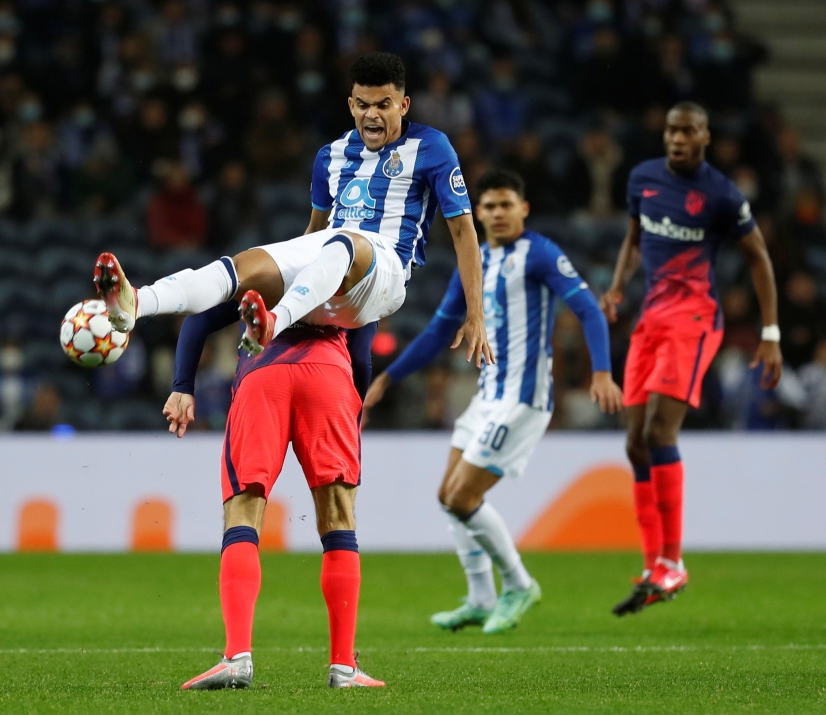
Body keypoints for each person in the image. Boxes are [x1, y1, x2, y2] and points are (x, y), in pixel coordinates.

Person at [93, 52, 492, 369]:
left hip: (384, 275)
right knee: (245, 264)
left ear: (403, 105)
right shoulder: (330, 156)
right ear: (351, 104)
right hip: (328, 272)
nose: (373, 114)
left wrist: (475, 313)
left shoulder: (432, 147)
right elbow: (313, 233)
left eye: (384, 105)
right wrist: (277, 273)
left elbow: (463, 232)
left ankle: (272, 322)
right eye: (364, 104)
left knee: (344, 242)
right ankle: (138, 304)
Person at [364, 170, 622, 634]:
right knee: (448, 497)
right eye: (489, 206)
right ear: (476, 212)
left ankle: (519, 584)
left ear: (523, 209)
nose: (498, 214)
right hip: (488, 396)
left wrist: (602, 371)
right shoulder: (476, 260)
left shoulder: (540, 254)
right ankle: (482, 597)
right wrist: (388, 377)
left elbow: (586, 308)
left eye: (507, 205)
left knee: (463, 496)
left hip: (522, 398)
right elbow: (439, 330)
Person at [600, 102, 783, 615]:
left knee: (661, 432)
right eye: (671, 132)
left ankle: (675, 561)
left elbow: (759, 258)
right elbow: (634, 239)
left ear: (705, 136)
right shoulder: (642, 179)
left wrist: (770, 332)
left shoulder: (722, 194)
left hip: (695, 319)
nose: (677, 140)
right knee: (635, 443)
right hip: (651, 320)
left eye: (687, 132)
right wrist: (617, 286)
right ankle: (655, 561)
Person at [163, 300, 383, 690]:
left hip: (263, 373)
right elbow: (362, 359)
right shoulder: (355, 273)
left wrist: (183, 386)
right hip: (329, 375)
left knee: (244, 513)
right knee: (338, 518)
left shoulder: (268, 264)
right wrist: (352, 404)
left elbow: (199, 318)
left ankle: (237, 657)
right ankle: (344, 668)